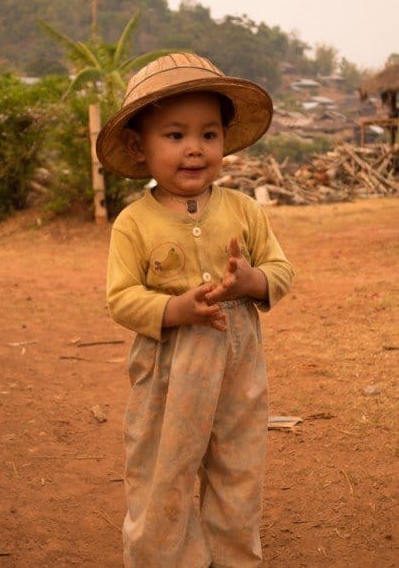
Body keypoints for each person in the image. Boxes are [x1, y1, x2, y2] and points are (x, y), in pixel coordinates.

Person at [96, 52, 294, 568]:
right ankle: (166, 557)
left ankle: (232, 557)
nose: (194, 149)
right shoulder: (133, 223)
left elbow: (280, 269)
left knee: (239, 467)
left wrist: (252, 280)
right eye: (175, 135)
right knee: (163, 468)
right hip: (167, 368)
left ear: (225, 139)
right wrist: (176, 308)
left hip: (238, 363)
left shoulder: (245, 210)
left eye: (209, 134)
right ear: (139, 145)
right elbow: (120, 297)